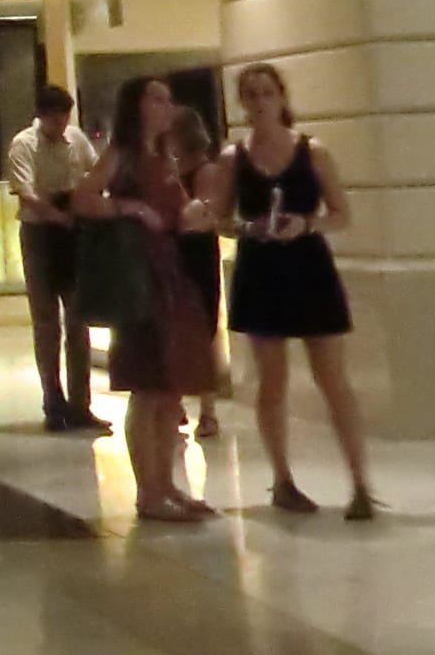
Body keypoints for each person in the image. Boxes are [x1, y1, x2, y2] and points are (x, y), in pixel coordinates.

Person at [205, 62, 375, 520]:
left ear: (281, 98)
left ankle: (360, 482)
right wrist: (249, 227)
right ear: (242, 103)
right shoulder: (233, 158)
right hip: (261, 267)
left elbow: (341, 213)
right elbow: (219, 218)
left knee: (332, 377)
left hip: (308, 265)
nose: (260, 102)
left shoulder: (312, 151)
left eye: (267, 93)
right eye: (251, 94)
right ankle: (282, 479)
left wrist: (306, 223)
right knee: (271, 380)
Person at [74, 78, 217, 522]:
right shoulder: (123, 153)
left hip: (169, 273)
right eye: (157, 98)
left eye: (168, 99)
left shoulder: (164, 156)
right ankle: (148, 492)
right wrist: (129, 209)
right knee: (147, 386)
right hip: (140, 277)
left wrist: (204, 211)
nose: (166, 106)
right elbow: (83, 198)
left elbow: (179, 211)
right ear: (136, 105)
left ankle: (166, 483)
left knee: (169, 388)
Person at [5, 86, 102, 432]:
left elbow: (96, 172)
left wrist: (84, 204)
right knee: (46, 322)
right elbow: (26, 193)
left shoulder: (75, 139)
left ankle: (81, 405)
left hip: (73, 233)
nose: (61, 125)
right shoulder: (23, 144)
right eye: (56, 119)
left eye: (65, 118)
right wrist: (58, 216)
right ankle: (53, 402)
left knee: (79, 319)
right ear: (42, 115)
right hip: (40, 235)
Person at [169, 105, 229, 439]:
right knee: (176, 328)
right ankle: (177, 401)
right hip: (176, 251)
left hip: (196, 253)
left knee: (202, 329)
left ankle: (207, 410)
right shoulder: (174, 170)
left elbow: (206, 216)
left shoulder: (205, 171)